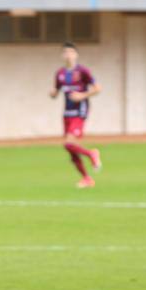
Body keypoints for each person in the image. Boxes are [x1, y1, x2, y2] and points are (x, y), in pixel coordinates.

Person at [50, 42, 103, 188]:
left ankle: (91, 154)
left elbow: (98, 88)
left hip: (80, 111)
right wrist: (52, 93)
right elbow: (55, 92)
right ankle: (86, 178)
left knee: (68, 143)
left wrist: (82, 95)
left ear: (76, 54)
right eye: (65, 52)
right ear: (62, 55)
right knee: (71, 149)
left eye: (71, 52)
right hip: (66, 112)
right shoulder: (60, 74)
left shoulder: (83, 71)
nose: (68, 55)